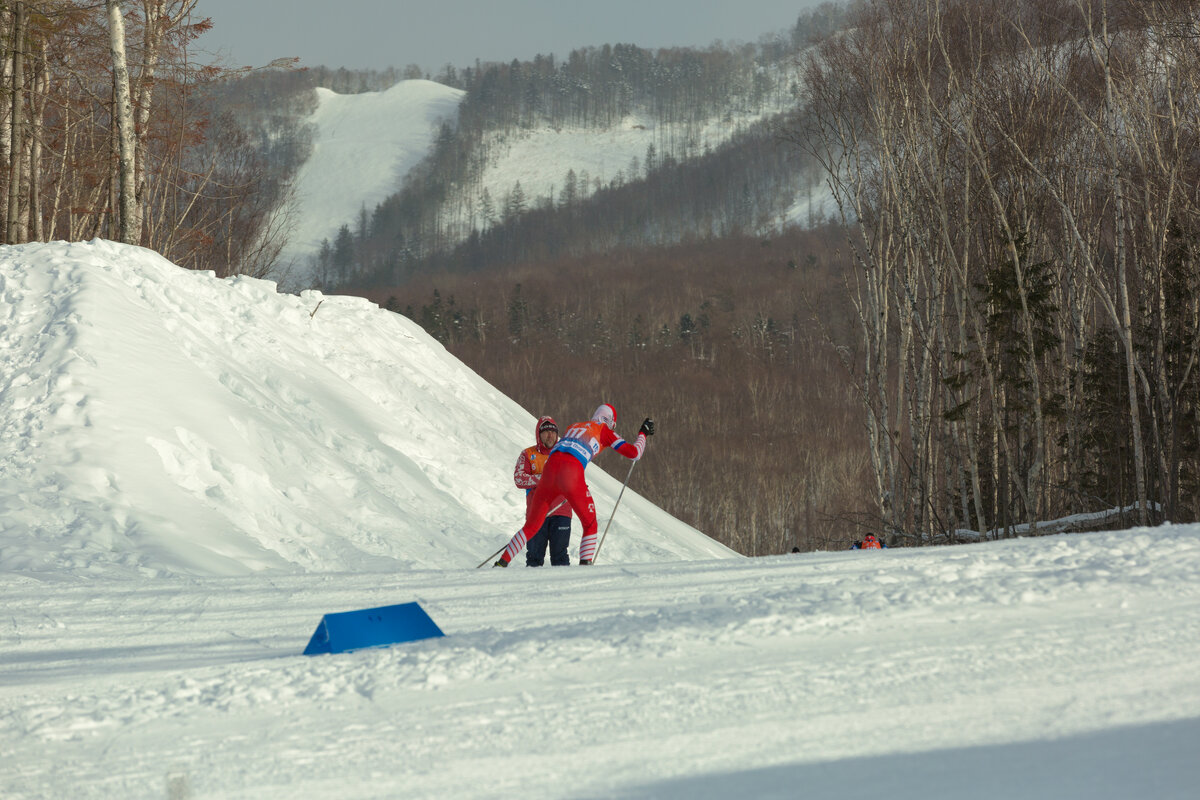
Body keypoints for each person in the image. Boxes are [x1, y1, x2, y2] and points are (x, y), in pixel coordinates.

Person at [495, 403, 654, 567]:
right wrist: (643, 433)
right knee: (590, 524)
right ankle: (585, 566)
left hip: (549, 470)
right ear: (611, 421)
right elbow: (635, 453)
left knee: (531, 527)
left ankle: (501, 563)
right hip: (570, 473)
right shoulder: (605, 430)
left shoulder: (574, 426)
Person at [514, 416, 572, 566]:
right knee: (534, 558)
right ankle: (532, 589)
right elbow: (519, 479)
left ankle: (564, 589)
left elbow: (575, 477)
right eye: (545, 432)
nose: (550, 435)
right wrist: (542, 478)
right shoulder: (527, 454)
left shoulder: (566, 454)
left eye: (553, 431)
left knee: (560, 557)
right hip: (536, 513)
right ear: (538, 435)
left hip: (561, 512)